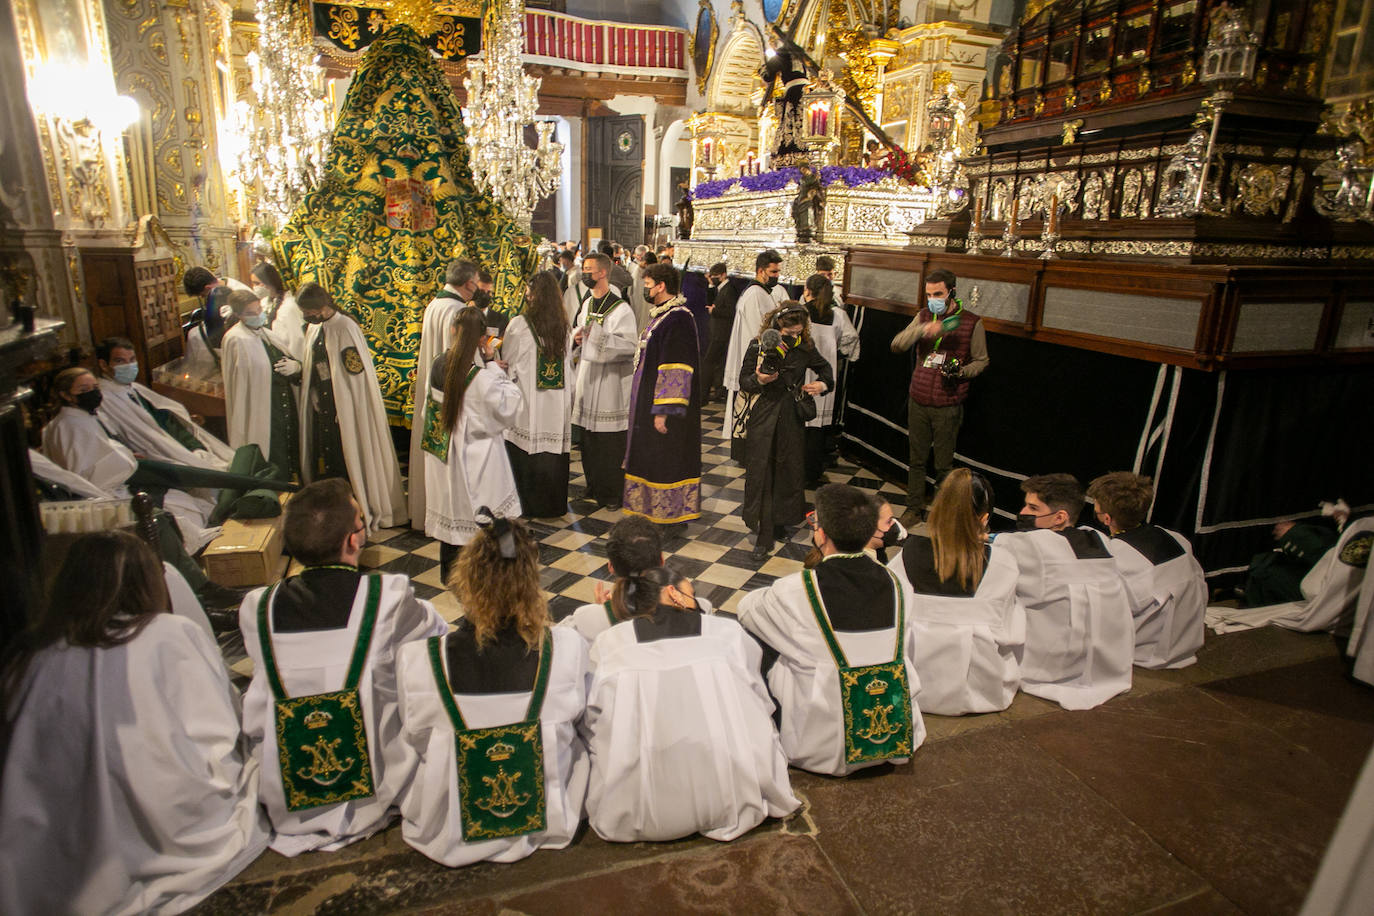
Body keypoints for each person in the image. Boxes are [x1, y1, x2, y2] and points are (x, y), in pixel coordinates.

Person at [1, 531, 269, 914]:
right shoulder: (169, 633)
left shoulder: (31, 656)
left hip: (65, 839)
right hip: (174, 820)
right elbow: (221, 725)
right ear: (147, 582)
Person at [238, 478, 447, 856]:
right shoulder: (387, 597)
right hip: (375, 784)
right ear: (353, 540)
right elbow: (435, 636)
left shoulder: (258, 606)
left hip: (285, 789)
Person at [395, 513, 590, 867]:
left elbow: (417, 738)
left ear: (465, 580)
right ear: (532, 584)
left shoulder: (420, 660)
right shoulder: (568, 649)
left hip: (448, 825)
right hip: (548, 816)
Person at [583, 554, 798, 842]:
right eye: (691, 593)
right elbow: (759, 698)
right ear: (672, 593)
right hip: (732, 796)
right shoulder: (726, 632)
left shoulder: (610, 642)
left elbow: (595, 716)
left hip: (642, 811)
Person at [738, 483, 927, 776]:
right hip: (895, 728)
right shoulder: (898, 583)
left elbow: (748, 610)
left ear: (821, 534)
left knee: (763, 640)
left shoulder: (797, 589)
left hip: (824, 742)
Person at [42, 366, 222, 555]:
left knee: (184, 500)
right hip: (101, 496)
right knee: (178, 507)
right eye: (83, 390)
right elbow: (85, 471)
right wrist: (125, 458)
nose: (93, 393)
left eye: (95, 387)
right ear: (66, 395)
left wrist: (123, 454)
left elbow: (103, 450)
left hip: (114, 485)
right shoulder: (71, 426)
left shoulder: (79, 418)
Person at [891, 469, 1025, 715]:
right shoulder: (1001, 561)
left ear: (936, 510)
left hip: (913, 682)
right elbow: (1008, 627)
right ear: (984, 518)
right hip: (979, 686)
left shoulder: (907, 553)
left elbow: (892, 615)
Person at [996, 473, 1135, 710]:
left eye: (1032, 507)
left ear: (1059, 517)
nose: (1023, 512)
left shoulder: (1030, 545)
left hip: (1051, 667)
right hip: (1109, 666)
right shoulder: (1099, 538)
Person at [422, 307, 523, 581]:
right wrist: (492, 364)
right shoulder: (481, 377)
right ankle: (492, 574)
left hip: (445, 455)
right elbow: (511, 407)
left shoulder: (438, 364)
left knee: (454, 515)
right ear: (482, 339)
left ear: (453, 331)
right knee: (489, 516)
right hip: (479, 458)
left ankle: (451, 574)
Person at [298, 282, 407, 531]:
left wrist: (346, 407)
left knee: (347, 456)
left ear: (321, 306)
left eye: (308, 311)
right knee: (331, 458)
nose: (306, 316)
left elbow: (354, 374)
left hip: (343, 408)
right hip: (324, 406)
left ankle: (354, 508)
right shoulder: (316, 328)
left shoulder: (345, 327)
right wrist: (313, 391)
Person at [889, 268, 988, 528]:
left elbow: (982, 360)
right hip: (918, 399)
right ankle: (913, 508)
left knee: (944, 466)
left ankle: (941, 513)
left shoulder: (971, 322)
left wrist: (961, 372)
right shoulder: (923, 315)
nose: (933, 298)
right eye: (929, 294)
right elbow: (897, 345)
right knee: (916, 460)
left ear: (952, 292)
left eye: (938, 294)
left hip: (948, 403)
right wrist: (922, 330)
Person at [739, 303, 833, 559]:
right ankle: (764, 533)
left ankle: (779, 521)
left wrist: (821, 384)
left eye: (798, 332)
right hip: (764, 415)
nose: (793, 336)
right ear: (778, 325)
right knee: (763, 471)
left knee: (788, 470)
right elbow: (744, 381)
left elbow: (826, 371)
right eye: (789, 331)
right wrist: (760, 380)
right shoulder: (759, 345)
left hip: (791, 416)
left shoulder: (805, 347)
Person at [1087, 472, 1207, 669]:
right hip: (1186, 641)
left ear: (1107, 518)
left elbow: (1108, 612)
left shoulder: (1115, 555)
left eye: (1097, 511)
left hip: (1147, 651)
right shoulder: (1176, 538)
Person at [623, 263, 701, 530]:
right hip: (649, 402)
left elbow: (676, 366)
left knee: (666, 458)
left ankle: (670, 518)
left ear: (661, 286)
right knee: (652, 457)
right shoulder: (662, 315)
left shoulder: (678, 318)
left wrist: (663, 409)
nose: (645, 288)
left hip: (666, 409)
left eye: (648, 284)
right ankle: (653, 512)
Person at [95, 336, 235, 470]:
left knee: (227, 459)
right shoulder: (104, 400)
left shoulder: (134, 388)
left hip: (178, 442)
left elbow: (166, 418)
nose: (129, 366)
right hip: (157, 455)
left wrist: (194, 446)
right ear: (104, 364)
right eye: (120, 361)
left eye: (132, 360)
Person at [408, 259, 478, 527]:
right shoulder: (457, 311)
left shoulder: (435, 305)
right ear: (468, 283)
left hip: (435, 388)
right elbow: (461, 358)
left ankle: (428, 508)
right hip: (452, 393)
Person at [503, 271, 574, 518]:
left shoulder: (519, 325)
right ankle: (553, 505)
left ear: (533, 295)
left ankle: (528, 505)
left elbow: (508, 363)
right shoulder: (563, 326)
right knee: (552, 452)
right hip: (556, 403)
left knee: (528, 449)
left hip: (529, 402)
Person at [570, 252, 638, 509]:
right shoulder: (587, 304)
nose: (584, 273)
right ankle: (593, 486)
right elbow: (579, 330)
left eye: (588, 269)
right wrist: (577, 338)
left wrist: (597, 339)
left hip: (610, 384)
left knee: (609, 443)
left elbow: (630, 345)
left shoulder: (621, 309)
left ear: (602, 273)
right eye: (583, 268)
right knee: (589, 440)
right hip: (588, 378)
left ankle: (612, 493)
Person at [221, 288, 302, 480]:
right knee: (271, 452)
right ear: (239, 315)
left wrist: (297, 367)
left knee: (289, 447)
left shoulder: (266, 333)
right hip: (261, 407)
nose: (258, 315)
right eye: (251, 313)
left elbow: (288, 358)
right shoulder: (236, 339)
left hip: (284, 404)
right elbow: (243, 385)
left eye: (259, 310)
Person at [560, 516, 665, 644]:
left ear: (611, 566)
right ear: (662, 561)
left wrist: (601, 612)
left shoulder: (581, 622)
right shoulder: (688, 614)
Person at [723, 249, 788, 440]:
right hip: (752, 360)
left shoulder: (763, 293)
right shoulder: (754, 295)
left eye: (777, 272)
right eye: (773, 272)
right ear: (761, 271)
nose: (777, 276)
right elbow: (756, 333)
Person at [802, 274, 859, 488]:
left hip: (804, 373)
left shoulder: (801, 313)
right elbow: (851, 341)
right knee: (818, 428)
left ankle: (797, 470)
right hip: (826, 374)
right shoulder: (838, 315)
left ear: (808, 290)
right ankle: (813, 473)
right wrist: (837, 355)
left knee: (801, 424)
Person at [252, 260, 305, 360]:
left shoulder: (289, 306)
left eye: (257, 283)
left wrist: (298, 364)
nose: (254, 287)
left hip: (288, 360)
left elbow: (297, 341)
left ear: (269, 282)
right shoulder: (263, 303)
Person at [702, 261, 736, 402]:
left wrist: (714, 310)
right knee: (718, 364)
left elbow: (730, 311)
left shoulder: (729, 290)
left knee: (708, 362)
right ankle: (718, 391)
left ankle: (703, 395)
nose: (713, 278)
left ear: (723, 275)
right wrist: (710, 284)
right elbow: (710, 302)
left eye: (715, 276)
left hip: (722, 333)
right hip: (717, 332)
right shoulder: (721, 288)